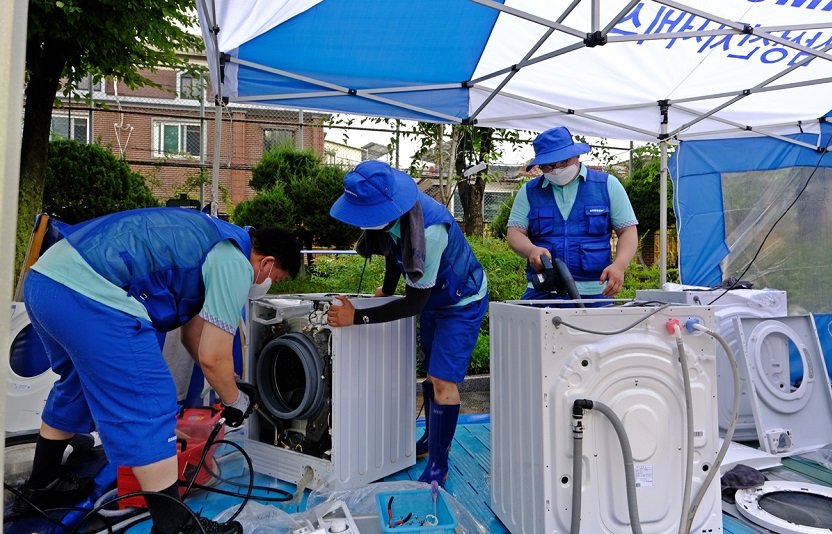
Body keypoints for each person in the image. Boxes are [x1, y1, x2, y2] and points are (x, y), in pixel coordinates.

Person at [16, 207, 301, 534]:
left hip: (46, 281)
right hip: (90, 291)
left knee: (77, 384)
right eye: (274, 280)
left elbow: (194, 337)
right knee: (149, 397)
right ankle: (176, 526)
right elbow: (213, 355)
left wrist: (231, 385)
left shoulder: (214, 239)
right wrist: (234, 400)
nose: (267, 285)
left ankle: (42, 484)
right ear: (265, 263)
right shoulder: (235, 261)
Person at [326, 161, 488, 487]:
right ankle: (431, 439)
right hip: (433, 297)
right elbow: (392, 252)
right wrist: (386, 291)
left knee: (443, 380)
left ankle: (439, 465)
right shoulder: (393, 219)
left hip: (461, 301)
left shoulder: (430, 229)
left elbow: (414, 303)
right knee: (431, 374)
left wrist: (357, 317)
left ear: (388, 205)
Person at [507, 126, 638, 306]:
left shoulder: (608, 185)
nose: (556, 170)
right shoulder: (528, 192)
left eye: (562, 162)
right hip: (544, 290)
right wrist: (531, 250)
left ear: (576, 155)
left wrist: (620, 265)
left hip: (596, 291)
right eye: (547, 166)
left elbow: (627, 231)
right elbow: (514, 233)